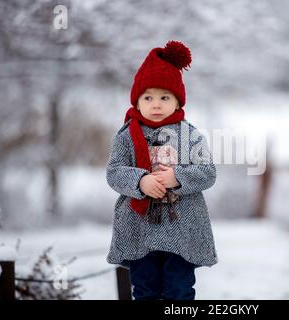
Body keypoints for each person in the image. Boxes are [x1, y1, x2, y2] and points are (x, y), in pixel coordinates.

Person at [106, 40, 218, 300]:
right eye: (148, 98)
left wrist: (177, 177)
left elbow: (207, 171)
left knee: (179, 290)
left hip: (182, 229)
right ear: (137, 101)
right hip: (140, 229)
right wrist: (140, 180)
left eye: (164, 97)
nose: (156, 104)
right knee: (144, 290)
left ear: (178, 102)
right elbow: (114, 172)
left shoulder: (191, 135)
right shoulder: (125, 136)